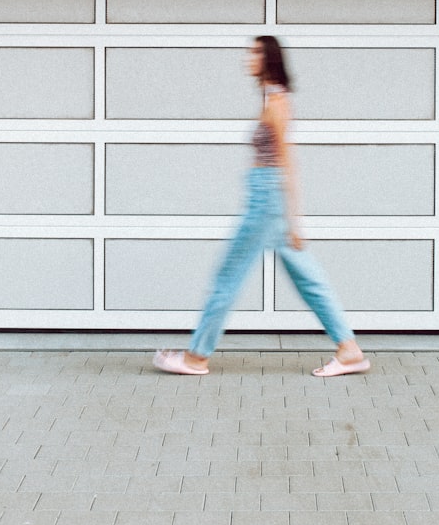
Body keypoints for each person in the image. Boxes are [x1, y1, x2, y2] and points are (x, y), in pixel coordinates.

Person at [154, 36, 369, 378]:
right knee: (309, 280)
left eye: (254, 51)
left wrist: (295, 220)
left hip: (268, 201)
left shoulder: (277, 104)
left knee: (227, 277)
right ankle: (350, 350)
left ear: (269, 58)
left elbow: (288, 163)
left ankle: (196, 357)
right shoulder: (270, 99)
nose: (247, 57)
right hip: (267, 198)